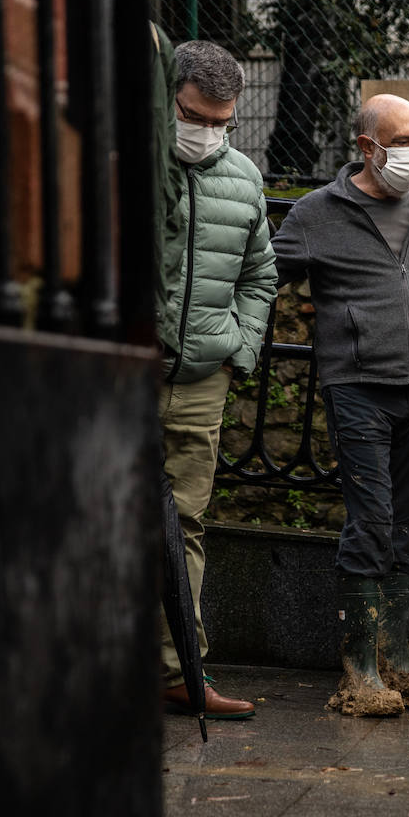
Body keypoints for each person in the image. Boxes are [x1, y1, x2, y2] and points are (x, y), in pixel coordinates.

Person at [272, 94, 409, 717]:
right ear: (367, 147)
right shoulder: (317, 214)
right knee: (371, 521)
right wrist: (240, 336)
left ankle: (400, 664)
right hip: (359, 387)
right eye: (402, 141)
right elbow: (264, 275)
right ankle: (359, 672)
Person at [157, 39, 278, 720]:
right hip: (127, 372)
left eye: (221, 122)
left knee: (186, 526)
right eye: (192, 115)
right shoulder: (132, 164)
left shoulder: (245, 178)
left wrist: (242, 348)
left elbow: (260, 274)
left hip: (202, 377)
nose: (206, 133)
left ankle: (182, 671)